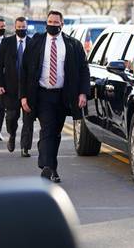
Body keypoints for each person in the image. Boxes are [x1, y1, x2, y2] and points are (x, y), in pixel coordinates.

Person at [20, 10, 90, 183]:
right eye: (49, 21)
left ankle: (52, 167)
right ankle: (46, 166)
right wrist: (23, 97)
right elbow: (25, 70)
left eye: (55, 22)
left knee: (55, 132)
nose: (52, 24)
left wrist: (83, 93)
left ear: (62, 24)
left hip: (63, 95)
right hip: (42, 94)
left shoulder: (73, 45)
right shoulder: (36, 42)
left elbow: (83, 69)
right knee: (47, 129)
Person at [0, 17, 34, 156]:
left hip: (28, 89)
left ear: (27, 27)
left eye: (23, 27)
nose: (21, 29)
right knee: (11, 117)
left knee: (28, 120)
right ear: (15, 27)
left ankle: (25, 148)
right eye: (19, 27)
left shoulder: (32, 43)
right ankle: (12, 135)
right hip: (10, 89)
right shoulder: (6, 43)